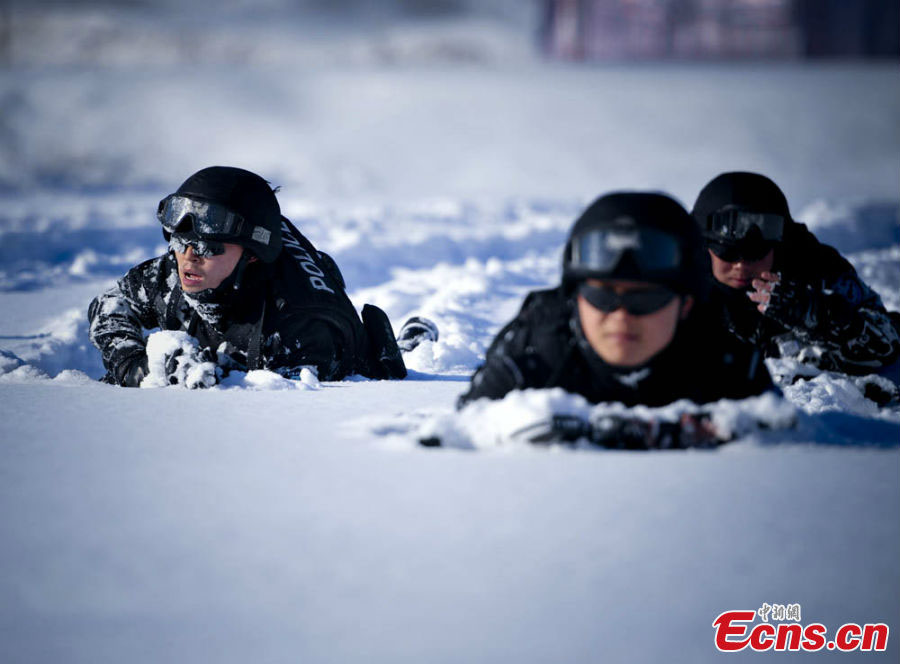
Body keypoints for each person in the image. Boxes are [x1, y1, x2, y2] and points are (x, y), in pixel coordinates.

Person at [456, 192, 777, 448]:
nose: (621, 315)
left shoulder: (723, 359)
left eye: (645, 299)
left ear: (686, 305)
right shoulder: (535, 348)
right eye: (602, 297)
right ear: (576, 299)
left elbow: (784, 442)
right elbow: (464, 430)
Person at [89, 166, 422, 387]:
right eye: (179, 242)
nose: (189, 258)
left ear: (250, 254)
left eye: (209, 249)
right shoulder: (177, 272)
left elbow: (278, 412)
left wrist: (204, 376)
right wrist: (133, 365)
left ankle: (416, 344)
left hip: (345, 361)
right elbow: (110, 304)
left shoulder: (298, 329)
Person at [691, 171, 900, 385]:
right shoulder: (682, 282)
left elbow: (888, 343)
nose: (741, 265)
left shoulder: (814, 267)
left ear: (778, 243)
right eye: (727, 253)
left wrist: (816, 315)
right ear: (704, 245)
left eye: (756, 253)